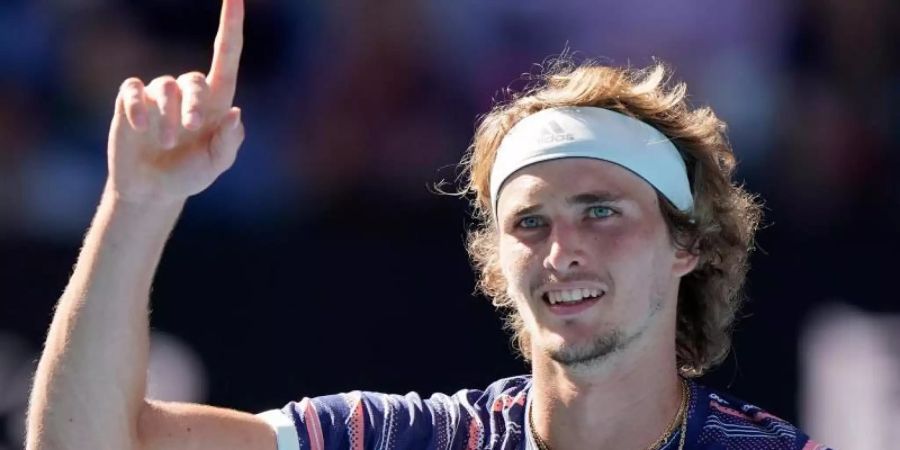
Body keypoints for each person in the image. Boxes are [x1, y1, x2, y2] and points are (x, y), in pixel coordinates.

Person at [25, 1, 832, 449]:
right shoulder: (399, 440)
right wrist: (138, 205)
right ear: (495, 262)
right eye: (529, 221)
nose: (563, 249)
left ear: (687, 243)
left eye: (601, 211)